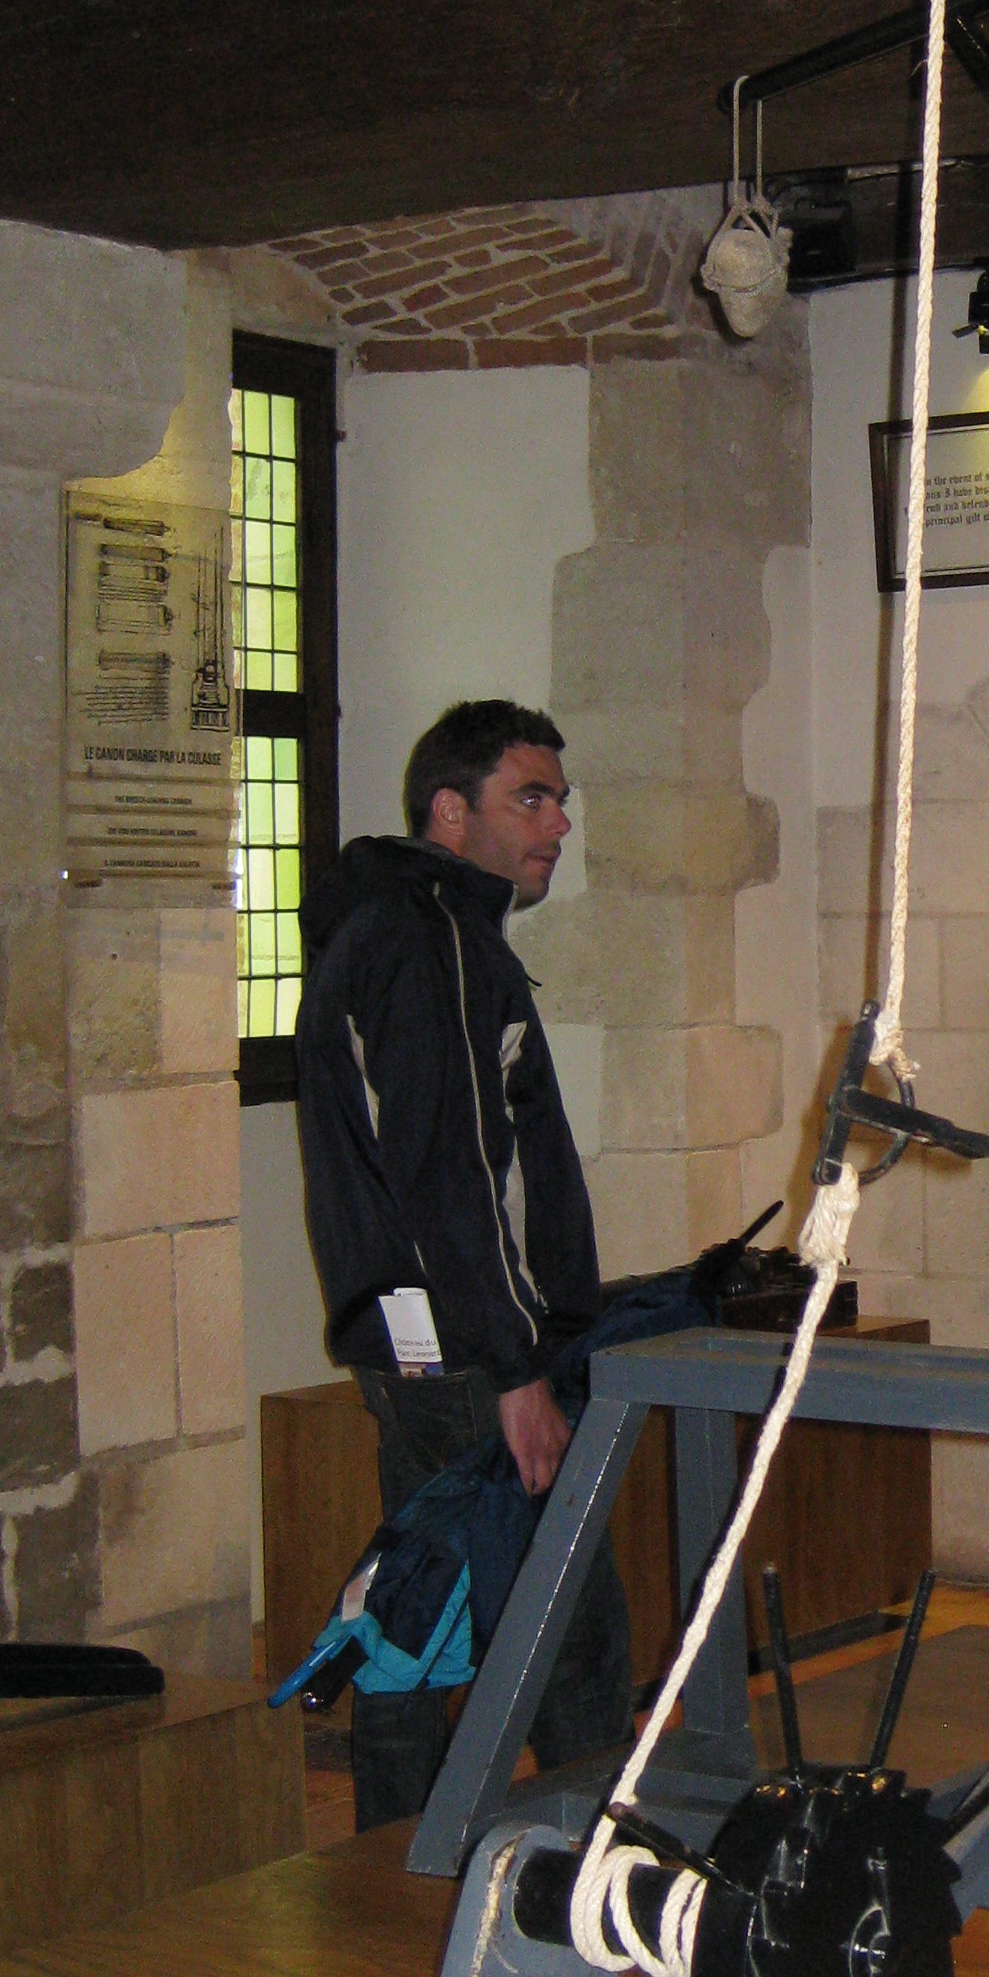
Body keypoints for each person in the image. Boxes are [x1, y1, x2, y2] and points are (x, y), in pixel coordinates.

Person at [297, 698, 633, 1830]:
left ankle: (391, 1854)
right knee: (568, 1621)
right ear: (450, 811)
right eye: (529, 799)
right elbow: (453, 1178)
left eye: (560, 801)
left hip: (417, 1337)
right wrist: (516, 1368)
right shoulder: (429, 939)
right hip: (462, 1351)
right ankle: (597, 1861)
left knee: (420, 1601)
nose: (557, 825)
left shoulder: (409, 929)